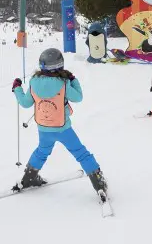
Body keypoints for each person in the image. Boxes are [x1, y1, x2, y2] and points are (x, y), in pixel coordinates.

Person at [11, 48, 108, 200]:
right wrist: (73, 79)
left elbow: (25, 103)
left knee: (42, 152)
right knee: (81, 154)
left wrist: (17, 88)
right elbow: (78, 97)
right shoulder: (63, 83)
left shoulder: (34, 82)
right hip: (63, 128)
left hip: (44, 128)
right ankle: (99, 184)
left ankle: (28, 178)